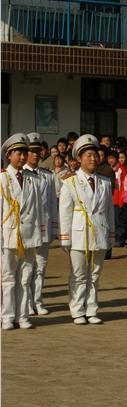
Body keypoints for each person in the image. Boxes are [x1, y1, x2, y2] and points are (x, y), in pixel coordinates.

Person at [59, 135, 115, 324]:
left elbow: (109, 211)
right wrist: (65, 237)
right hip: (79, 234)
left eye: (95, 155)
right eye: (89, 155)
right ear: (80, 158)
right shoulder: (70, 181)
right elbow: (65, 211)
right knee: (79, 274)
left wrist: (111, 235)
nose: (93, 159)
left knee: (95, 275)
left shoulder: (105, 182)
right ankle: (77, 310)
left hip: (99, 233)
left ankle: (92, 310)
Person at [1, 134, 44, 330]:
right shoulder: (2, 178)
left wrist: (39, 235)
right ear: (9, 155)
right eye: (18, 153)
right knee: (9, 277)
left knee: (25, 277)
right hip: (9, 234)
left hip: (28, 234)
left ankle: (23, 315)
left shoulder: (33, 178)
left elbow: (38, 208)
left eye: (24, 153)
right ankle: (7, 316)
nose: (22, 156)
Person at [24, 133, 58, 316]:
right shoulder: (21, 174)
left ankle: (38, 300)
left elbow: (52, 203)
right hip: (27, 228)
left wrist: (54, 227)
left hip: (43, 226)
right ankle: (27, 302)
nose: (35, 155)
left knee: (41, 266)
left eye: (38, 151)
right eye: (31, 151)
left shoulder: (47, 175)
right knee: (27, 267)